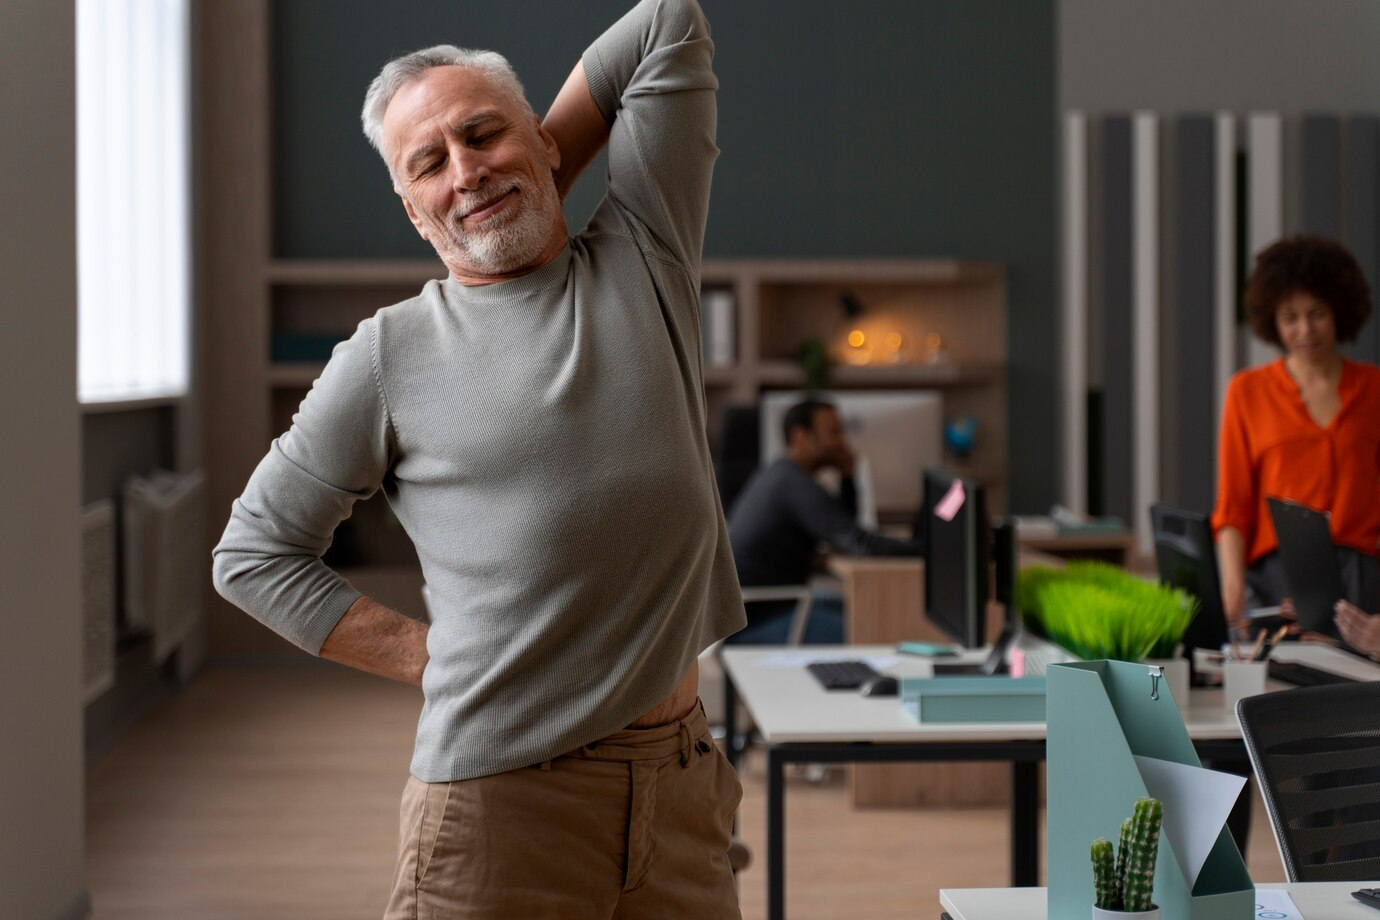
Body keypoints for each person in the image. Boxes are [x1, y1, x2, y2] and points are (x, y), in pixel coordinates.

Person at [212, 2, 747, 916]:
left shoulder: (644, 257)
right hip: (503, 802)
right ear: (411, 209)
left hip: (682, 790)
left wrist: (528, 171)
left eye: (482, 133)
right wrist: (432, 657)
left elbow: (667, 23)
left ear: (542, 137)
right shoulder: (388, 354)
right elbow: (251, 557)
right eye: (429, 164)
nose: (462, 169)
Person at [1211, 234, 1380, 639]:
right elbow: (1233, 509)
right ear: (1272, 319)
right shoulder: (1246, 392)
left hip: (1364, 584)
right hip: (1276, 584)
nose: (1305, 329)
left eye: (1317, 313)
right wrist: (1232, 593)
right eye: (1290, 317)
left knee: (1354, 700)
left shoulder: (1375, 390)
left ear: (1340, 310)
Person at [726, 398, 923, 644]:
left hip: (767, 606)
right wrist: (927, 550)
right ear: (801, 436)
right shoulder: (794, 485)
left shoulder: (782, 474)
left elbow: (845, 529)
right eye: (833, 432)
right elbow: (858, 543)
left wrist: (848, 476)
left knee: (869, 613)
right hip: (759, 619)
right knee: (875, 628)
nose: (842, 441)